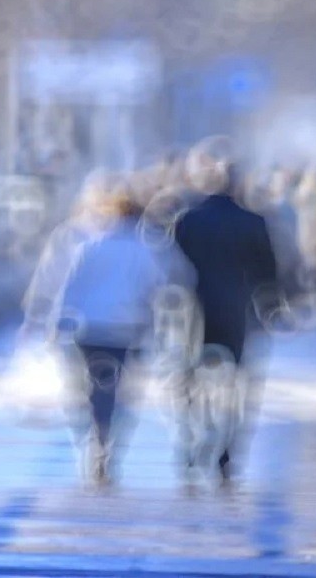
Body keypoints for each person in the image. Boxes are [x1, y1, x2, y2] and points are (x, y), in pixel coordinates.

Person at [24, 176, 194, 489]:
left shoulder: (90, 245)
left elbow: (71, 286)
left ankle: (93, 437)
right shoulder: (149, 246)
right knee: (118, 390)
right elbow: (166, 282)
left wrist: (54, 325)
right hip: (126, 328)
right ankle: (109, 444)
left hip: (88, 328)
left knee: (88, 388)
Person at [172, 151, 280, 489]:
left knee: (189, 381)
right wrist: (274, 307)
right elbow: (268, 274)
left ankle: (193, 441)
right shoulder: (253, 222)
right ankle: (226, 453)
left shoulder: (188, 220)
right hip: (236, 310)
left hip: (195, 311)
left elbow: (173, 269)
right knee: (236, 385)